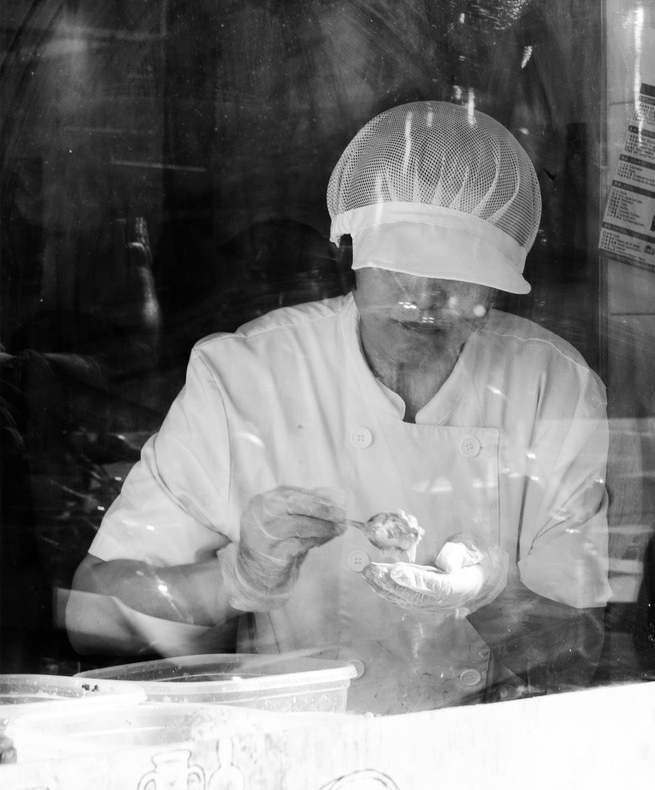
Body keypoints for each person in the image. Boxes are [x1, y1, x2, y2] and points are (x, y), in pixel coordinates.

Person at [66, 100, 610, 714]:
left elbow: (578, 651)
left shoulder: (551, 384)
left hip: (478, 750)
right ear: (355, 253)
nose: (426, 298)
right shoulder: (249, 376)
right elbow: (92, 615)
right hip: (296, 754)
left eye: (458, 276)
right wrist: (232, 578)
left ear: (497, 280)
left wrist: (493, 594)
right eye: (401, 266)